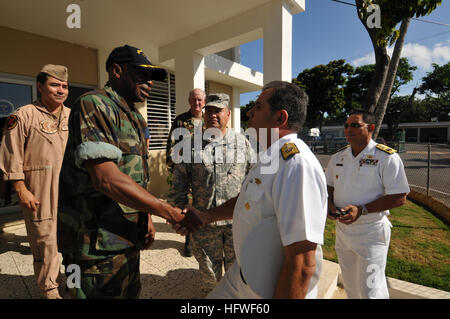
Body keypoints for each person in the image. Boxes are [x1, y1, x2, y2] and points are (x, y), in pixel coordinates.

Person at [57, 45, 197, 299]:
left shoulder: (135, 117)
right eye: (141, 74)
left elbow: (136, 175)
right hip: (93, 244)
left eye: (152, 77)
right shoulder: (93, 105)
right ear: (117, 71)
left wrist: (147, 218)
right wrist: (167, 211)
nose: (149, 83)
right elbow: (106, 179)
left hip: (125, 235)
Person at [178, 81, 328, 299]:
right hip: (245, 273)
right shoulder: (270, 157)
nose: (249, 112)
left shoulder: (295, 165)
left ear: (280, 118)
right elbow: (247, 200)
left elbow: (303, 263)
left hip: (269, 288)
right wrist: (206, 216)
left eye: (258, 106)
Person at [168, 93, 254, 295]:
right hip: (203, 224)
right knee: (210, 279)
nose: (212, 115)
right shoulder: (191, 144)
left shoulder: (243, 143)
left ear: (228, 114)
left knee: (238, 275)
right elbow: (179, 183)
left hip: (237, 222)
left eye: (218, 110)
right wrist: (179, 215)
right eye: (209, 110)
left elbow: (255, 181)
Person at [0, 64, 71, 299]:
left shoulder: (73, 116)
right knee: (45, 242)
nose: (60, 90)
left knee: (72, 240)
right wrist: (20, 188)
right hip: (39, 192)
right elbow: (12, 154)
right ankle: (50, 289)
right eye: (54, 85)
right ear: (40, 86)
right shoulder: (22, 115)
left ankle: (72, 283)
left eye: (64, 86)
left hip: (71, 191)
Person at [325, 109, 409, 299]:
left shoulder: (386, 157)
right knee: (351, 286)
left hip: (371, 234)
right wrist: (330, 204)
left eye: (355, 125)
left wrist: (362, 210)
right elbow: (328, 186)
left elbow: (400, 196)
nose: (348, 129)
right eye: (346, 125)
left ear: (370, 128)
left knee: (371, 290)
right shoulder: (338, 157)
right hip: (343, 232)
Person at [166, 88, 206, 257]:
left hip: (205, 171)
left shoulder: (210, 121)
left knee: (204, 204)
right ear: (189, 101)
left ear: (204, 102)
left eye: (200, 100)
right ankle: (189, 239)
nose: (196, 103)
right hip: (186, 172)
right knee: (187, 207)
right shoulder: (180, 121)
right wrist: (175, 166)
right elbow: (171, 146)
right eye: (194, 99)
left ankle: (204, 239)